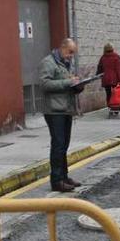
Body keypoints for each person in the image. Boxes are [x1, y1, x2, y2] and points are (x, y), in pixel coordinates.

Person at [40, 38, 85, 193]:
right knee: (58, 145)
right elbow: (45, 84)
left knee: (64, 145)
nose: (71, 56)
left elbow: (67, 84)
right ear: (62, 47)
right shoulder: (49, 62)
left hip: (65, 109)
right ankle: (56, 180)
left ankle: (64, 177)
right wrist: (68, 82)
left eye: (73, 53)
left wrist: (78, 86)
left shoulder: (65, 63)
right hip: (54, 111)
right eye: (70, 52)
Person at [96, 42, 120, 109]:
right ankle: (116, 107)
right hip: (114, 79)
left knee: (108, 94)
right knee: (115, 94)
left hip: (105, 79)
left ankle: (110, 107)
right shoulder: (116, 57)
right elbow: (118, 70)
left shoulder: (103, 57)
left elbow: (99, 67)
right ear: (112, 48)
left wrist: (97, 75)